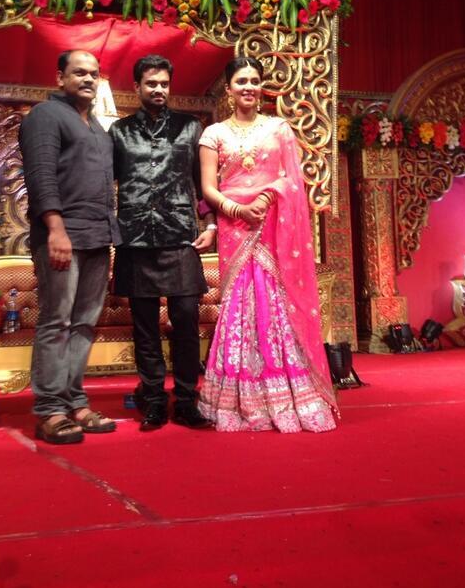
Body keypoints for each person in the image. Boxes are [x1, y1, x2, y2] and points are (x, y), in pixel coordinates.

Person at [197, 56, 337, 432]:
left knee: (273, 299)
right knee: (239, 301)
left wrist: (268, 194)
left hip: (272, 225)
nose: (249, 87)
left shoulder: (279, 128)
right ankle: (240, 396)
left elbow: (292, 179)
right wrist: (237, 210)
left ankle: (286, 391)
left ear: (261, 87)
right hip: (234, 227)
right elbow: (208, 188)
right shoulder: (213, 134)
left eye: (254, 80)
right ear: (229, 89)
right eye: (241, 81)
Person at [19, 49, 121, 444]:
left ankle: (75, 402)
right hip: (62, 236)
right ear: (60, 77)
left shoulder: (97, 127)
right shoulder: (45, 116)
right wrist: (55, 229)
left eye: (94, 73)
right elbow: (40, 176)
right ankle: (50, 410)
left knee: (83, 324)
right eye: (79, 72)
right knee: (57, 321)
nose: (88, 79)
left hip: (97, 237)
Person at [109, 54, 215, 431]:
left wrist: (210, 223)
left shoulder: (190, 128)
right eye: (151, 83)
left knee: (185, 319)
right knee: (145, 327)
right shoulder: (119, 132)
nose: (158, 90)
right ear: (136, 87)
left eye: (164, 84)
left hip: (180, 237)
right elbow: (105, 183)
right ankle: (153, 400)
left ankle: (186, 400)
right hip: (135, 239)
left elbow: (203, 183)